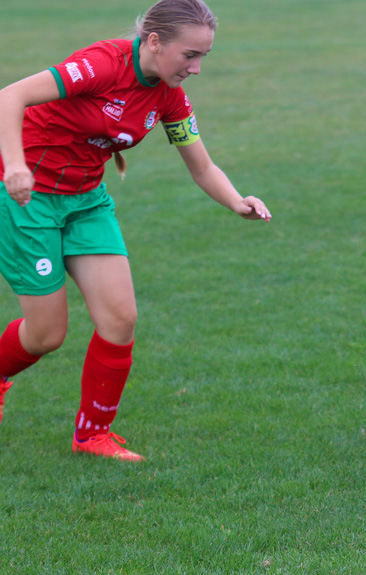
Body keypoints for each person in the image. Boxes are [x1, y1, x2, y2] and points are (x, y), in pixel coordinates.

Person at [0, 0, 272, 461]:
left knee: (120, 318)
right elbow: (10, 96)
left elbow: (201, 166)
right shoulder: (101, 64)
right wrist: (16, 166)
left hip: (87, 201)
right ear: (153, 42)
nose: (198, 68)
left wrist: (237, 201)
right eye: (190, 55)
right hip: (28, 200)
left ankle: (92, 436)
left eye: (204, 56)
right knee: (47, 335)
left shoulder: (168, 94)